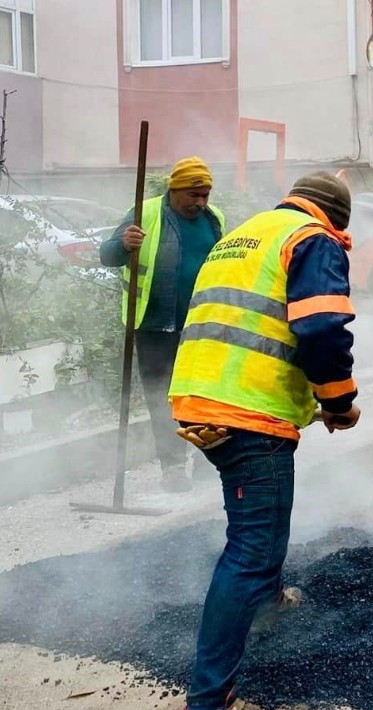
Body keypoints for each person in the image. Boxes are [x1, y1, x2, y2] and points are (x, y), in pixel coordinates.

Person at [168, 172, 361, 710]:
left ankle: (270, 604)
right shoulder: (312, 238)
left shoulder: (247, 234)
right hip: (248, 411)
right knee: (251, 550)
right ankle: (207, 704)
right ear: (335, 219)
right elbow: (322, 329)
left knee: (261, 527)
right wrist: (338, 401)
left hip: (202, 398)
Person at [100, 156, 225, 493]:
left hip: (202, 325)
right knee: (163, 400)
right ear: (175, 190)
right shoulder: (147, 213)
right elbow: (107, 256)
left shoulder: (215, 220)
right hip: (154, 326)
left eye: (205, 195)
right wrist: (124, 244)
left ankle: (205, 462)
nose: (200, 202)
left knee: (203, 396)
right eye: (193, 195)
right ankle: (172, 468)